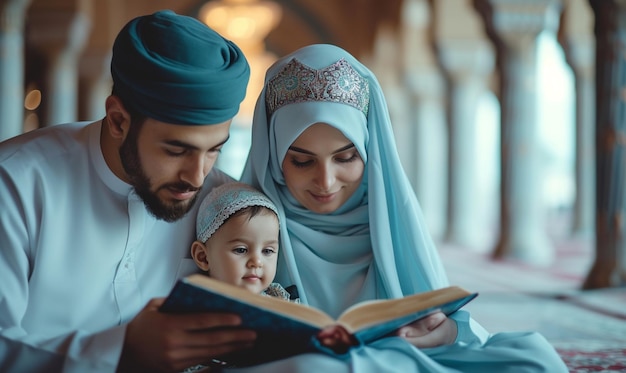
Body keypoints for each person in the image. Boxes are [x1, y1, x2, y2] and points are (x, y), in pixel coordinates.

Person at [239, 44, 569, 372]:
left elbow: (451, 329)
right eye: (302, 161)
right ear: (273, 157)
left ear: (369, 152)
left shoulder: (390, 215)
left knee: (536, 360)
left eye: (345, 157)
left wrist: (444, 331)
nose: (325, 182)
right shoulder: (245, 223)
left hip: (395, 359)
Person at [0, 10, 258, 373]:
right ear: (119, 120)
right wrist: (121, 350)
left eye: (213, 149)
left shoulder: (220, 199)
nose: (197, 176)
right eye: (177, 149)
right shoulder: (15, 183)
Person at [190, 182, 297, 301]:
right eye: (241, 250)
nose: (257, 262)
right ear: (203, 257)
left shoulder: (280, 301)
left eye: (267, 251)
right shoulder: (198, 303)